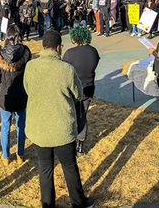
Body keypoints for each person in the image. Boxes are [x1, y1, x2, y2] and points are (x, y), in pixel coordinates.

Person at [24, 31, 94, 208]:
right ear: (58, 47)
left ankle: (47, 204)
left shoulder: (31, 66)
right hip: (62, 128)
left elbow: (27, 89)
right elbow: (78, 94)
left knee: (45, 168)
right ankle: (79, 202)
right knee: (69, 166)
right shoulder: (66, 69)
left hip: (39, 128)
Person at [0, 25, 31, 163]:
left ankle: (5, 156)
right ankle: (20, 153)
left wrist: (1, 83)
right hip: (21, 94)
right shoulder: (26, 53)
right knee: (21, 126)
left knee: (5, 126)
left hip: (6, 95)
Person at [62, 27, 100, 154]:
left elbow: (64, 69)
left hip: (73, 89)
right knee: (82, 115)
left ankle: (70, 139)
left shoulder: (69, 53)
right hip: (88, 88)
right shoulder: (93, 51)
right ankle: (80, 144)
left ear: (75, 38)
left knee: (71, 115)